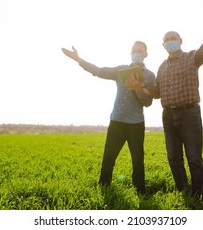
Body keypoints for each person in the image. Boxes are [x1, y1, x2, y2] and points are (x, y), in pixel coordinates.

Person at [61, 41, 155, 193]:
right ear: (130, 53)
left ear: (146, 54)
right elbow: (98, 71)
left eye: (140, 51)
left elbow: (148, 102)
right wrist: (79, 60)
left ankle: (140, 192)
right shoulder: (120, 70)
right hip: (117, 121)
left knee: (138, 161)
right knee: (108, 159)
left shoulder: (150, 76)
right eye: (134, 50)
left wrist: (138, 88)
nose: (137, 53)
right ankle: (104, 189)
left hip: (136, 124)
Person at [154, 18, 203, 197]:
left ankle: (201, 194)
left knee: (193, 157)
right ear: (163, 45)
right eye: (167, 39)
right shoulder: (161, 67)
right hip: (168, 116)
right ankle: (184, 192)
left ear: (180, 41)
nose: (170, 41)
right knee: (173, 158)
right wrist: (139, 87)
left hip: (189, 113)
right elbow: (156, 92)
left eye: (173, 38)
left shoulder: (191, 58)